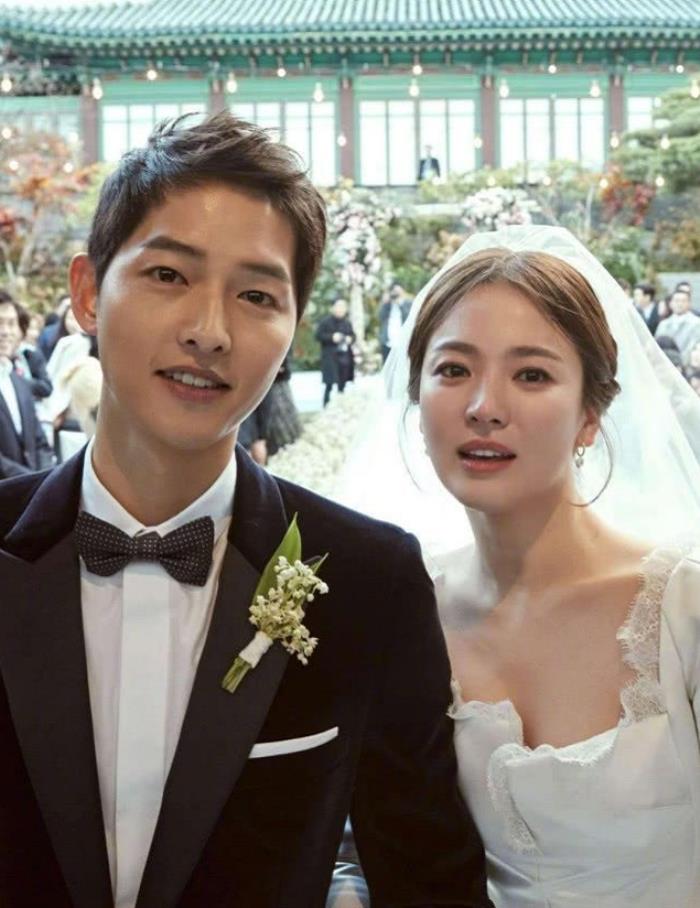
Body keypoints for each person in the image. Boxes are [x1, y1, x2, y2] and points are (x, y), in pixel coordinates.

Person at [0, 112, 491, 908]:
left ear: (294, 328)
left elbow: (428, 880)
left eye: (257, 295)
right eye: (169, 275)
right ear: (88, 294)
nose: (209, 331)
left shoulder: (369, 580)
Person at [335, 225, 700, 906]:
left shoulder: (683, 608)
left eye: (531, 375)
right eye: (454, 370)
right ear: (417, 400)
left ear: (591, 414)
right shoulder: (404, 614)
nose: (484, 408)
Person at [0, 293, 54, 478]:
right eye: (0, 323)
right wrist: (30, 481)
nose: (5, 332)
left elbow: (40, 441)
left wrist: (47, 479)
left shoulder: (20, 382)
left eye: (11, 323)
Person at [316, 298, 356, 406]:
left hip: (344, 357)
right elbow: (318, 336)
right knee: (329, 384)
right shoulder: (325, 322)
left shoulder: (347, 323)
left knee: (342, 384)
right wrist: (332, 337)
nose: (341, 309)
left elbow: (353, 336)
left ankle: (340, 405)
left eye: (343, 307)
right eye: (338, 306)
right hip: (330, 357)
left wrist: (350, 339)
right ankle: (326, 406)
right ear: (333, 308)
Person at [655, 287, 700, 359]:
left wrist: (678, 361)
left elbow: (692, 347)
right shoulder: (663, 324)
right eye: (676, 301)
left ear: (689, 303)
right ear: (670, 303)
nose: (680, 304)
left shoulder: (697, 323)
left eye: (683, 301)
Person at [379, 283, 411, 363]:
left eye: (398, 291)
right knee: (387, 365)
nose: (396, 294)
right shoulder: (387, 305)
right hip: (387, 342)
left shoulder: (408, 303)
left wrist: (400, 304)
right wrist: (385, 303)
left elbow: (409, 318)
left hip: (402, 342)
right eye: (394, 291)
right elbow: (381, 317)